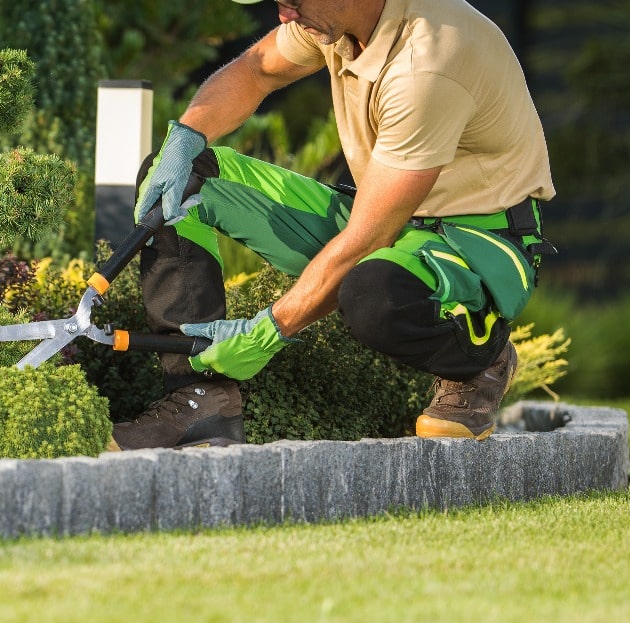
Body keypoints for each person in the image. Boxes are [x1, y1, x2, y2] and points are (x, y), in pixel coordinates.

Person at [111, 0, 556, 451]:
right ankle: (198, 402)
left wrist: (266, 333)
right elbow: (257, 69)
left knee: (373, 293)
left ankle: (479, 355)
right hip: (384, 214)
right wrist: (186, 136)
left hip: (473, 242)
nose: (284, 15)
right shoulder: (336, 19)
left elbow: (367, 239)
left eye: (292, 2)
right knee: (178, 182)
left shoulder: (427, 62)